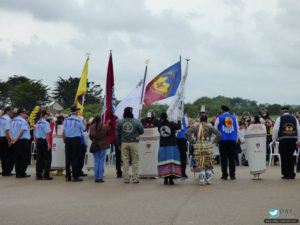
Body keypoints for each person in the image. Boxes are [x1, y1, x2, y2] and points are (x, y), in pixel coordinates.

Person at [186, 114, 221, 185]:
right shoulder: (210, 126)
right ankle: (208, 179)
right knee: (208, 162)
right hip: (208, 145)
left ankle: (201, 180)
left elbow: (187, 133)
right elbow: (219, 134)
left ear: (200, 119)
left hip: (198, 145)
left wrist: (192, 141)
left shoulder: (196, 126)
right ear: (207, 120)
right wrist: (214, 141)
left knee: (200, 162)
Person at [115, 107, 144, 184]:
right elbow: (141, 131)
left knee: (125, 161)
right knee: (135, 161)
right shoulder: (136, 121)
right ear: (132, 113)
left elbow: (117, 134)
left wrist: (118, 144)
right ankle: (135, 178)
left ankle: (126, 178)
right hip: (134, 143)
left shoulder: (120, 122)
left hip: (124, 143)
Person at [272, 107, 300, 179]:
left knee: (284, 156)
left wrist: (274, 140)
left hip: (283, 139)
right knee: (290, 156)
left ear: (282, 112)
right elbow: (298, 129)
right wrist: (298, 141)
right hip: (293, 139)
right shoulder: (294, 118)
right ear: (288, 112)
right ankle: (291, 173)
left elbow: (276, 129)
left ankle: (286, 174)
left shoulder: (280, 118)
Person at [157, 112, 182, 185]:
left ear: (161, 118)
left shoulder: (159, 125)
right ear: (167, 117)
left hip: (162, 146)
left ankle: (165, 179)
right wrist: (179, 121)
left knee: (164, 161)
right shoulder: (171, 124)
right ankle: (171, 179)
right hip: (172, 145)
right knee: (171, 162)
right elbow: (178, 127)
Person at [214, 105, 239, 180]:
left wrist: (216, 140)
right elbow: (237, 129)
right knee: (232, 158)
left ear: (222, 111)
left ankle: (224, 175)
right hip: (232, 139)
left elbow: (215, 130)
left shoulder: (219, 118)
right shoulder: (234, 118)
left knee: (223, 158)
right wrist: (236, 140)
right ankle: (232, 175)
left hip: (223, 140)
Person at [62, 105, 85, 182]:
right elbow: (84, 129)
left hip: (68, 140)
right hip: (76, 140)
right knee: (75, 157)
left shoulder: (65, 120)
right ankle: (75, 176)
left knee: (68, 158)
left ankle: (68, 176)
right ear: (76, 112)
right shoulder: (78, 121)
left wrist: (64, 140)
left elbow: (64, 131)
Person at [245, 115, 267, 180]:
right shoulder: (263, 126)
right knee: (260, 159)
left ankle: (255, 175)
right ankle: (260, 174)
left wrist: (247, 125)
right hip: (261, 147)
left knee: (253, 159)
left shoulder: (251, 127)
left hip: (252, 147)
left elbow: (246, 135)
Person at [10, 108, 31, 178]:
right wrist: (17, 139)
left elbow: (9, 130)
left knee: (17, 157)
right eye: (24, 113)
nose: (25, 114)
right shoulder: (23, 121)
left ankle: (18, 172)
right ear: (21, 113)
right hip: (22, 141)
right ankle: (22, 172)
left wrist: (12, 139)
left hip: (15, 141)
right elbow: (22, 131)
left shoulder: (13, 121)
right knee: (24, 157)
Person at [89, 115, 110, 183]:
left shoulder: (91, 127)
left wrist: (94, 141)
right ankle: (100, 177)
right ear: (101, 119)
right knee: (101, 161)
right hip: (103, 145)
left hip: (95, 145)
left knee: (96, 161)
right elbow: (108, 134)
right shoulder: (105, 126)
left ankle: (96, 177)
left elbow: (90, 136)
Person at [33, 110, 53, 180]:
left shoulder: (37, 123)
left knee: (39, 159)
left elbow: (34, 134)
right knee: (48, 158)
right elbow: (47, 133)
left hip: (38, 141)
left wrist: (35, 143)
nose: (48, 116)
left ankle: (38, 175)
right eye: (47, 115)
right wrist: (48, 143)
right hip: (44, 141)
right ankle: (46, 175)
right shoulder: (46, 123)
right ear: (45, 115)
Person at [0, 106, 14, 176]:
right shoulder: (7, 119)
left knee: (3, 156)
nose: (12, 113)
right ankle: (7, 171)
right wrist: (9, 140)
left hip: (1, 138)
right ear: (7, 112)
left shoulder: (2, 118)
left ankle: (4, 170)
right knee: (9, 155)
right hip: (6, 138)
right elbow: (7, 130)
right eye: (11, 112)